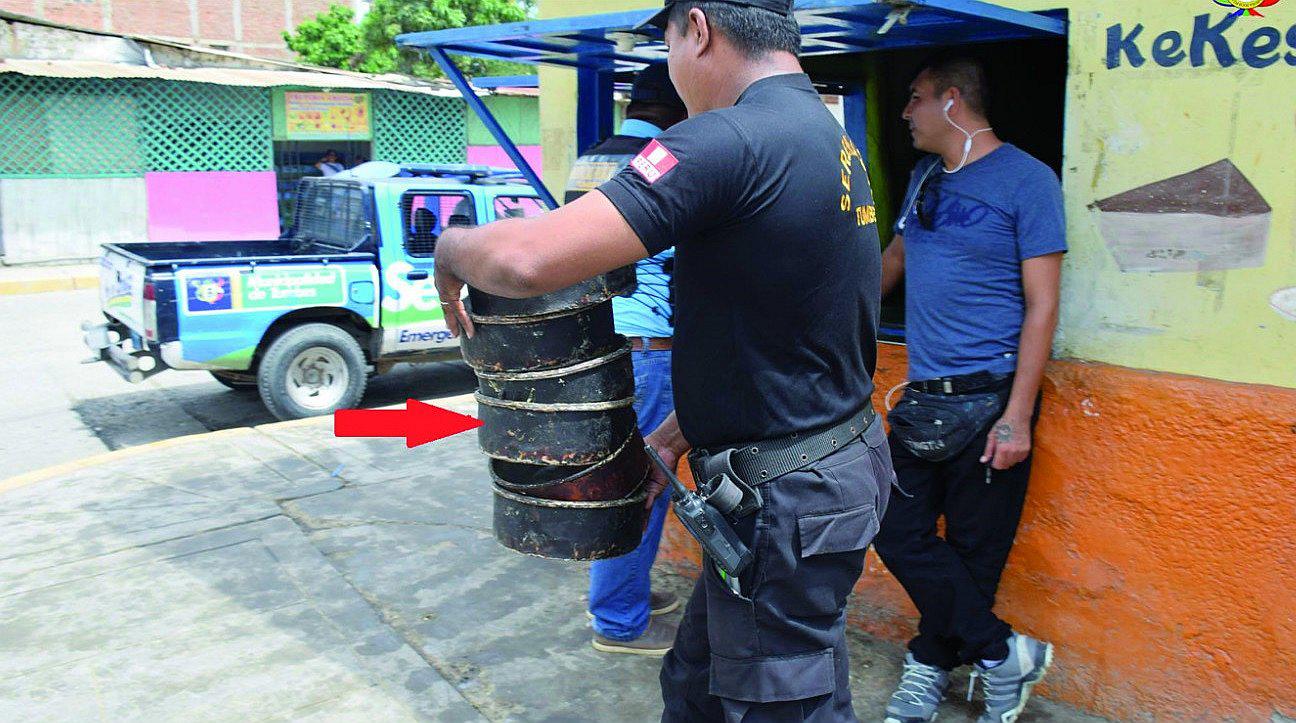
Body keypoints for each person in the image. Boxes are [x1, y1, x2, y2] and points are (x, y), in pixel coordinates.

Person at [431, 0, 890, 719]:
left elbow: (525, 261)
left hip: (788, 499)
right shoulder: (822, 136)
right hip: (812, 469)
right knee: (699, 682)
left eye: (671, 44)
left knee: (782, 704)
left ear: (698, 29)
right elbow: (787, 331)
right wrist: (672, 438)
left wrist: (450, 248)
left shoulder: (724, 140)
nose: (674, 71)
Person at [871, 56, 1065, 723]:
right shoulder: (925, 176)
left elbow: (1042, 305)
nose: (906, 113)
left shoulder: (1028, 180)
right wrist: (824, 313)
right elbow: (892, 264)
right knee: (893, 525)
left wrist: (1018, 415)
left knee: (975, 553)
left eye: (916, 98)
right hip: (926, 395)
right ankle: (1003, 651)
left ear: (954, 101)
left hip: (993, 396)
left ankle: (928, 672)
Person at [564, 65, 691, 657]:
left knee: (628, 478)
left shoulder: (591, 159)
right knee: (639, 483)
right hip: (650, 351)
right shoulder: (663, 161)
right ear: (676, 107)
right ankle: (618, 619)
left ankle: (625, 591)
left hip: (601, 344)